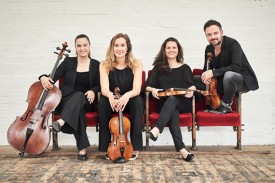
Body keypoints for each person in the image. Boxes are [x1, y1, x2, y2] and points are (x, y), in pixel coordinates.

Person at [39, 34, 100, 161]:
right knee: (79, 111)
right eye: (79, 46)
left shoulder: (96, 65)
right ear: (75, 47)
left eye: (85, 45)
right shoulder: (68, 62)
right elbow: (52, 77)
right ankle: (82, 150)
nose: (82, 48)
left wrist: (93, 90)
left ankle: (61, 122)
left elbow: (100, 85)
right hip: (66, 101)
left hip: (86, 101)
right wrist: (42, 77)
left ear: (89, 46)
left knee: (79, 97)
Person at [145, 37, 195, 162]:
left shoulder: (185, 68)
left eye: (174, 47)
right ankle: (182, 150)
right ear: (164, 50)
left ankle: (157, 128)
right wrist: (153, 90)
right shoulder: (158, 68)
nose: (171, 50)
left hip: (183, 103)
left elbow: (192, 85)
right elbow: (147, 86)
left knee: (173, 99)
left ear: (178, 50)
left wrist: (191, 90)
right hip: (165, 104)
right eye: (168, 47)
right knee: (172, 110)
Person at [194, 19, 259, 114]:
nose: (213, 37)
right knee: (195, 79)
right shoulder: (209, 48)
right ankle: (209, 103)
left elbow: (236, 67)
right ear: (206, 36)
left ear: (221, 32)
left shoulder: (233, 44)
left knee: (229, 76)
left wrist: (213, 73)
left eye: (215, 33)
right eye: (209, 34)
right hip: (223, 80)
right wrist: (205, 77)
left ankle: (226, 106)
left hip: (241, 80)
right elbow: (206, 69)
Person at [98, 33, 144, 161]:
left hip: (129, 101)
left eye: (122, 45)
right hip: (113, 101)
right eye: (116, 45)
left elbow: (136, 89)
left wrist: (126, 96)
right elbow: (104, 89)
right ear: (112, 48)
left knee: (138, 102)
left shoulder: (136, 64)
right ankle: (107, 146)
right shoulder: (104, 65)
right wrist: (111, 96)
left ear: (128, 47)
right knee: (102, 102)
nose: (119, 48)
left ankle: (135, 146)